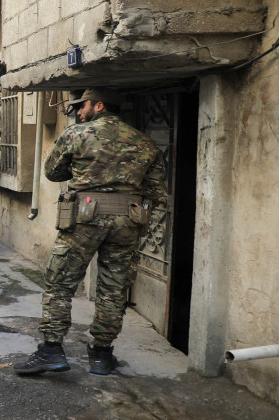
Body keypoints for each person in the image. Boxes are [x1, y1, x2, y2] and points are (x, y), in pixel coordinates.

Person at [14, 89, 166, 377]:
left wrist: (85, 171)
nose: (78, 112)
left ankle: (51, 351)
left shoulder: (77, 134)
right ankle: (101, 355)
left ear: (99, 105)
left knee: (60, 283)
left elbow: (53, 172)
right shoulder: (145, 141)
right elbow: (155, 188)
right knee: (113, 289)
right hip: (127, 220)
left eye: (81, 106)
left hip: (85, 217)